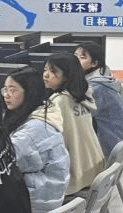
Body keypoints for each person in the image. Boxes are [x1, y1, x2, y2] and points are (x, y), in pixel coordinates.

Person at [2, 69, 70, 213]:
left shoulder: (33, 131)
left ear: (29, 93)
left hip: (39, 207)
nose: (6, 95)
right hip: (51, 196)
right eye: (5, 89)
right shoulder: (45, 110)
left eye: (13, 90)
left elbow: (5, 161)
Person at [43, 53, 104, 195]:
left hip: (76, 175)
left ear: (66, 76)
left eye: (53, 71)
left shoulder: (58, 101)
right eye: (45, 69)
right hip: (95, 168)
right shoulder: (82, 96)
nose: (46, 75)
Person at [74, 42, 123, 157]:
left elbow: (77, 116)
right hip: (119, 140)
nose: (75, 60)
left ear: (94, 63)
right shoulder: (103, 75)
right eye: (75, 56)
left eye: (82, 57)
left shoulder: (96, 87)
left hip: (109, 146)